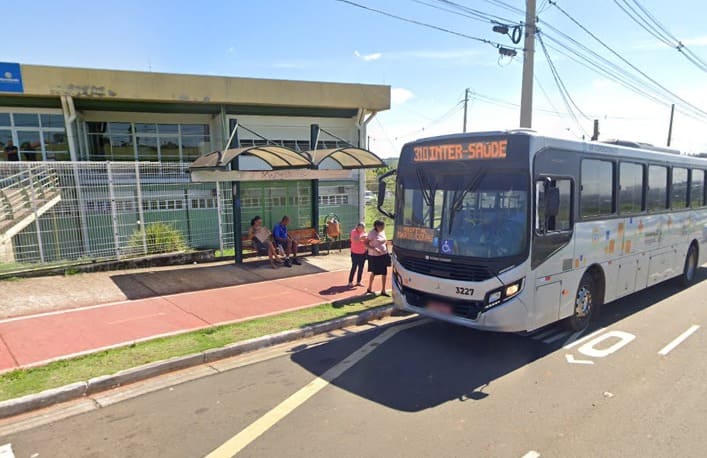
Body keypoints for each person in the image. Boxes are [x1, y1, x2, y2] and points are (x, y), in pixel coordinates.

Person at [366, 220, 389, 296]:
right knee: (374, 272)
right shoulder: (371, 233)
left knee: (384, 272)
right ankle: (369, 288)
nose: (383, 228)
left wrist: (387, 249)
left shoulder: (382, 232)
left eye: (384, 226)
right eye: (381, 226)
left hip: (384, 255)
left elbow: (385, 242)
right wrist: (374, 249)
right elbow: (365, 244)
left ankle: (383, 290)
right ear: (377, 226)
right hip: (374, 256)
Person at [348, 222, 367, 288]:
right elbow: (354, 241)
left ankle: (358, 281)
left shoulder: (364, 232)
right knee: (354, 267)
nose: (362, 229)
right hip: (355, 253)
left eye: (363, 228)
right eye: (361, 228)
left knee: (361, 268)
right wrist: (361, 238)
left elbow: (366, 241)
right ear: (357, 227)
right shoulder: (353, 232)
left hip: (363, 253)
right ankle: (350, 281)